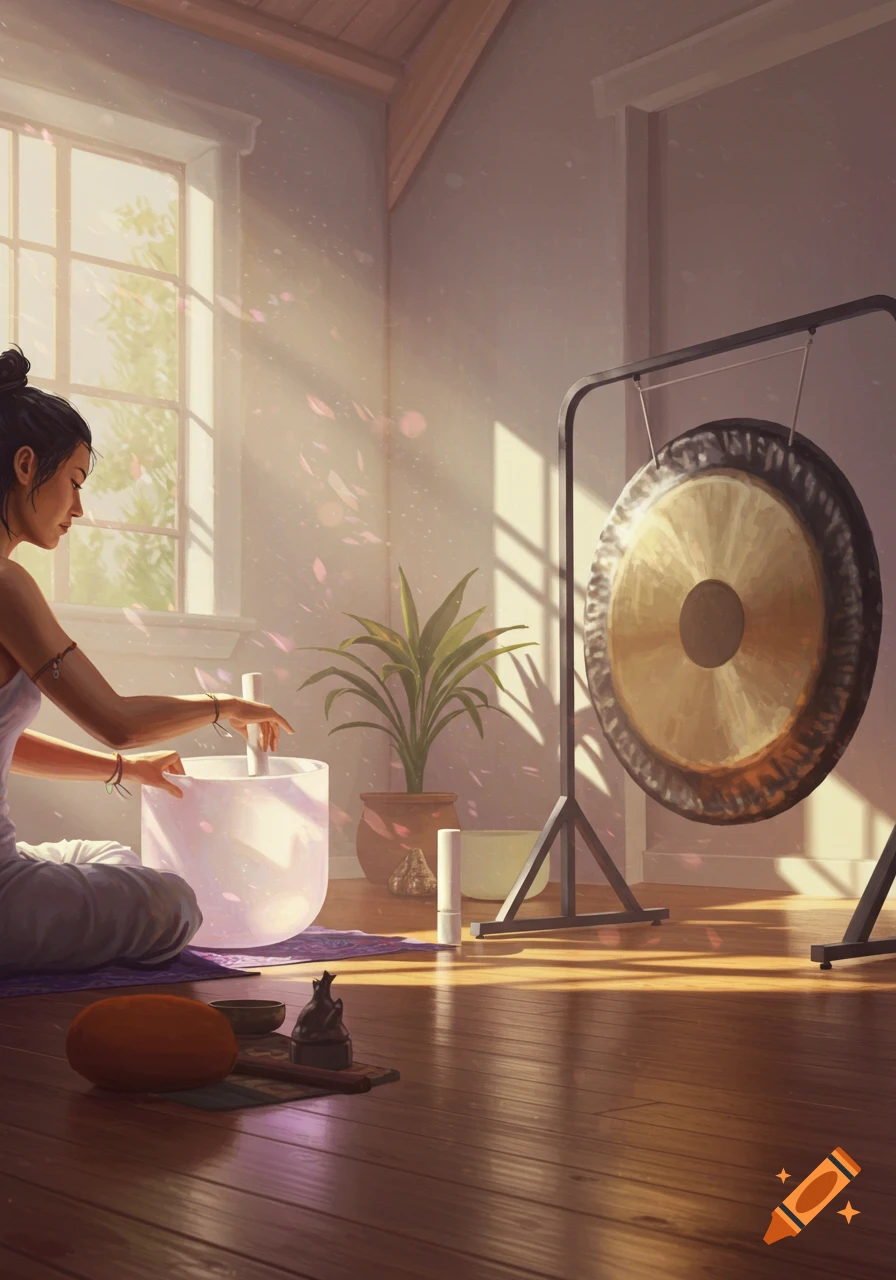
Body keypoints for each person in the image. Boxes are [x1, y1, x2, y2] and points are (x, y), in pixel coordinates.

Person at [0, 346, 294, 974]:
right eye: (74, 482)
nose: (78, 508)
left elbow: (8, 745)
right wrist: (224, 706)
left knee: (100, 852)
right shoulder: (7, 586)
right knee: (174, 902)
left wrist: (121, 769)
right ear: (27, 466)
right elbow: (117, 718)